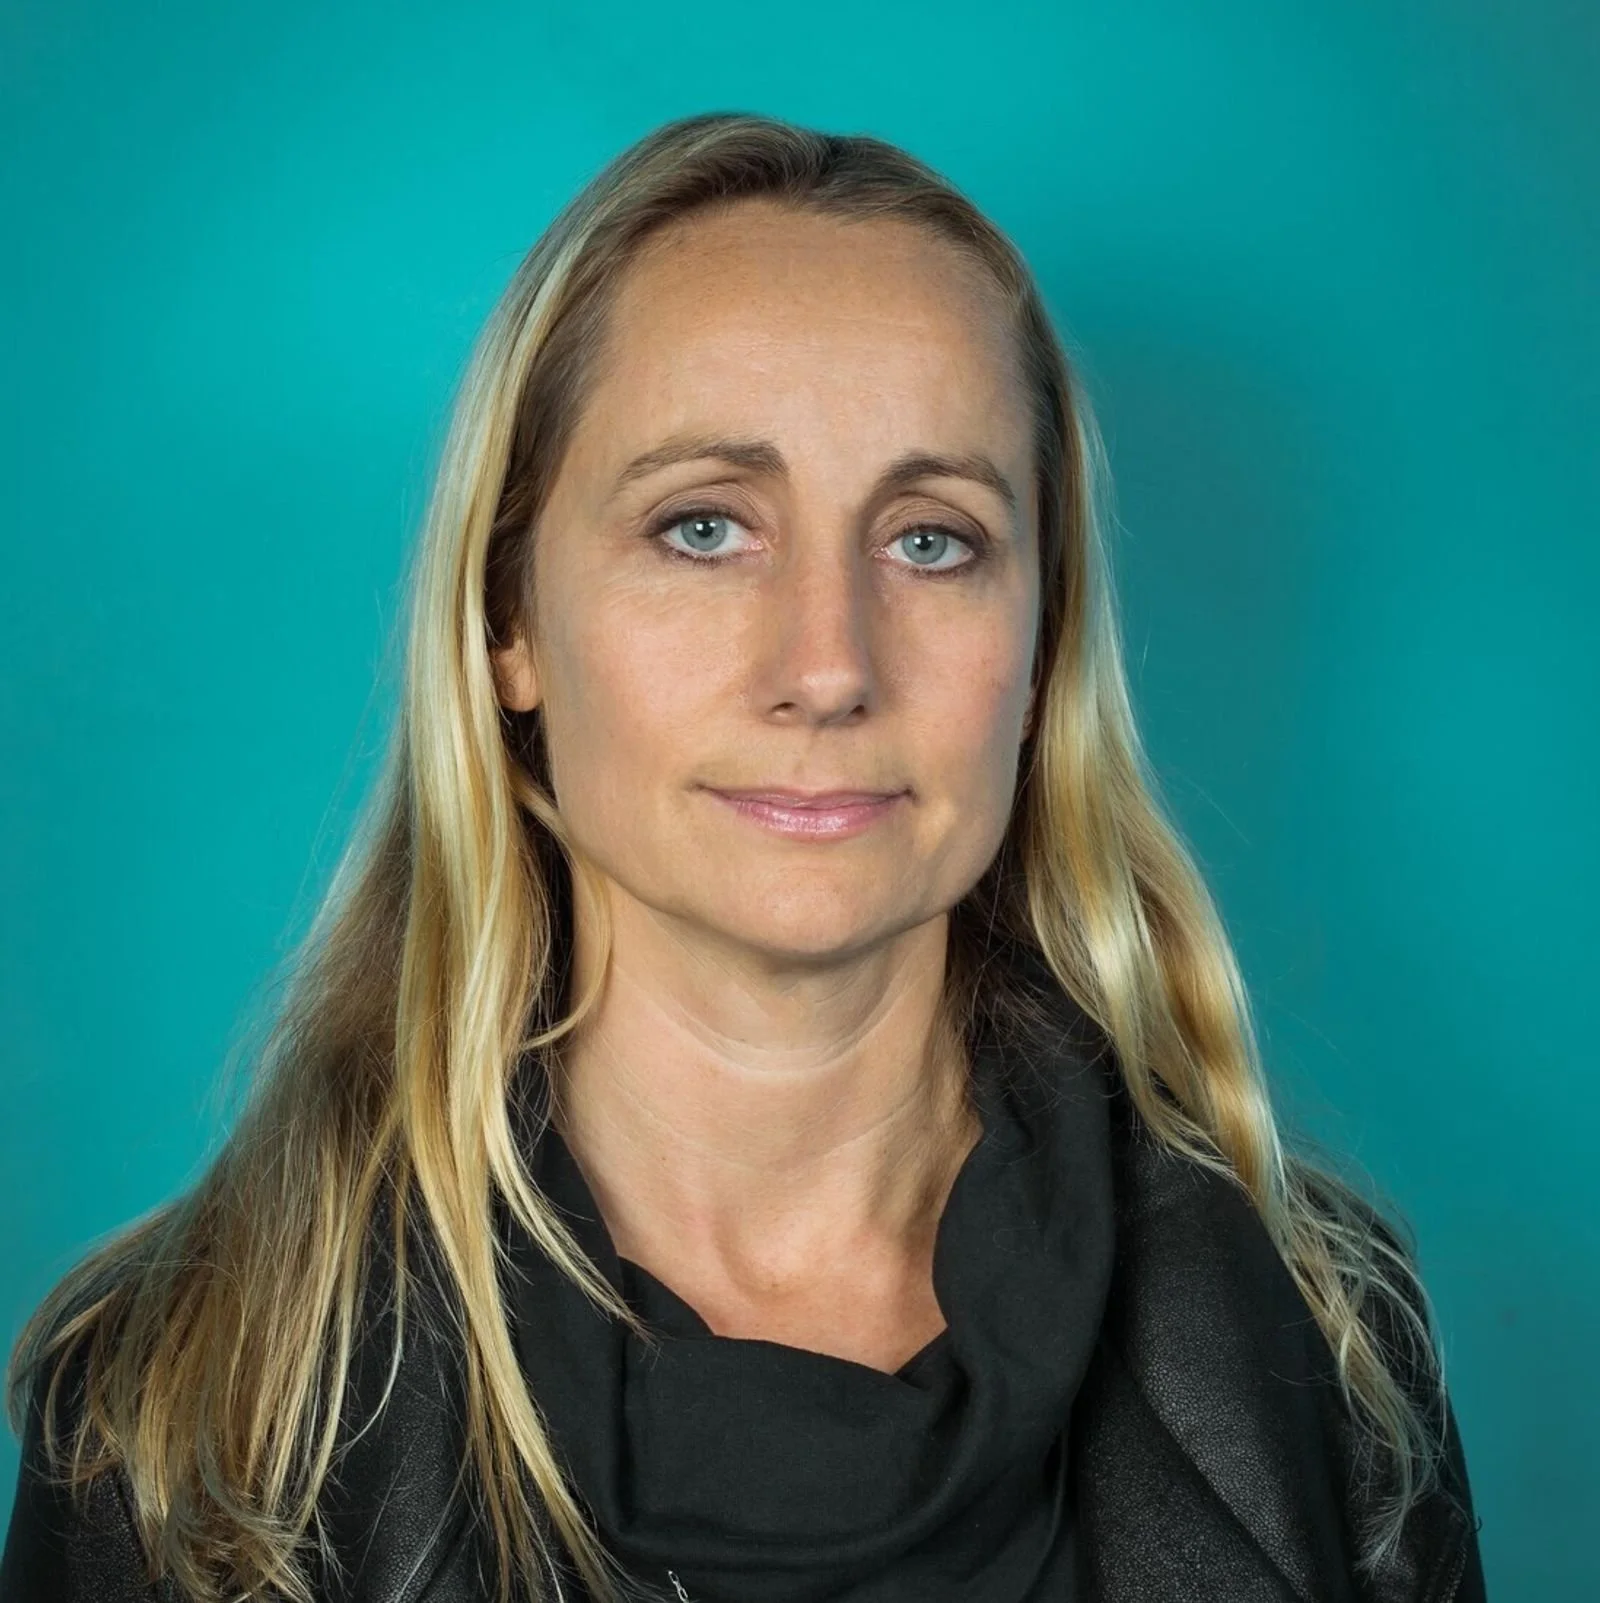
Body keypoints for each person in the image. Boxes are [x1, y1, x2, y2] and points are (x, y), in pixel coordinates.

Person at [1, 110, 1486, 1603]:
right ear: (507, 618)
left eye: (931, 540)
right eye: (705, 527)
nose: (829, 664)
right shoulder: (178, 1402)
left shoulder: (1329, 1349)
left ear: (1041, 651)